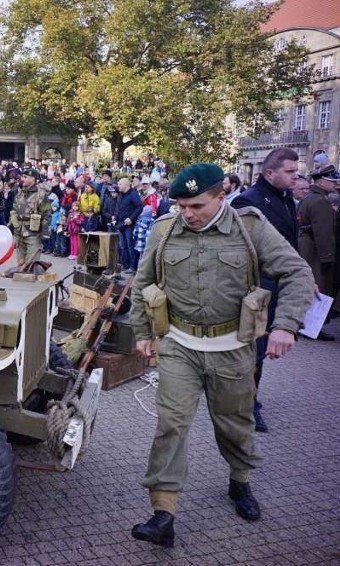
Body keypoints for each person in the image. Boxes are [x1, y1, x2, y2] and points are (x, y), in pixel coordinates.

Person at [130, 163, 314, 548]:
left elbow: (297, 272)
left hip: (232, 349)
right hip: (179, 346)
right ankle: (164, 512)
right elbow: (142, 282)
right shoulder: (165, 230)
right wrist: (143, 333)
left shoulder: (250, 227)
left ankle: (240, 482)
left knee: (234, 424)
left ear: (220, 195)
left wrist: (285, 325)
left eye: (196, 205)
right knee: (170, 425)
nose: (188, 214)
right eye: (181, 206)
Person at [231, 147, 302, 431]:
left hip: (276, 288)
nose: (296, 178)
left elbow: (288, 248)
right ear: (270, 173)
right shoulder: (247, 203)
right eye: (290, 172)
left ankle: (248, 401)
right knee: (253, 351)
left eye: (296, 172)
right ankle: (247, 407)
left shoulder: (286, 199)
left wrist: (301, 277)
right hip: (255, 291)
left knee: (258, 353)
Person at [297, 163, 337, 338]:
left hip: (307, 245)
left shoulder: (309, 197)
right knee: (318, 287)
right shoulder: (321, 201)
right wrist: (327, 257)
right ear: (321, 182)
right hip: (315, 248)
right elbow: (324, 232)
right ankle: (312, 328)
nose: (335, 183)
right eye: (331, 180)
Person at [10, 168, 52, 266]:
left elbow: (47, 213)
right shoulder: (20, 192)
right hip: (19, 232)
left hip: (33, 233)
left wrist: (45, 233)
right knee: (20, 264)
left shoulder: (40, 194)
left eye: (25, 177)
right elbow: (14, 210)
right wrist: (12, 225)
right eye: (22, 177)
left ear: (33, 178)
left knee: (30, 264)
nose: (22, 179)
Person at [114, 177, 143, 272]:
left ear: (126, 185)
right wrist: (115, 217)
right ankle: (124, 264)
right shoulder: (121, 195)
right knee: (123, 246)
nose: (118, 186)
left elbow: (139, 207)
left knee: (131, 246)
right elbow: (119, 207)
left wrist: (131, 218)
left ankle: (133, 267)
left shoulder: (133, 194)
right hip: (121, 224)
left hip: (130, 224)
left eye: (120, 184)